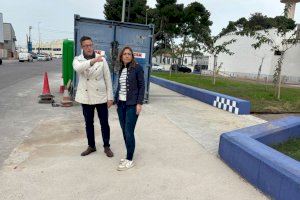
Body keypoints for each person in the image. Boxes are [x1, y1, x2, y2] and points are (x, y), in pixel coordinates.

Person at [73, 36, 114, 157]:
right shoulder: (78, 59)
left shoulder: (102, 59)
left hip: (100, 96)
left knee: (104, 123)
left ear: (93, 45)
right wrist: (92, 61)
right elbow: (78, 68)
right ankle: (91, 146)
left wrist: (110, 97)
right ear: (82, 47)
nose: (89, 47)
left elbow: (107, 78)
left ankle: (107, 146)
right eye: (86, 45)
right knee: (88, 123)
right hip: (86, 97)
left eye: (90, 45)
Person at [115, 46, 145, 171]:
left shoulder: (137, 68)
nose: (127, 56)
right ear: (121, 56)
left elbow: (141, 86)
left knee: (129, 131)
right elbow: (120, 86)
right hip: (121, 104)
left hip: (132, 105)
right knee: (124, 131)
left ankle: (129, 159)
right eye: (125, 54)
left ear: (132, 56)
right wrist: (116, 99)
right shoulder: (121, 68)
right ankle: (128, 155)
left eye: (129, 54)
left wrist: (139, 103)